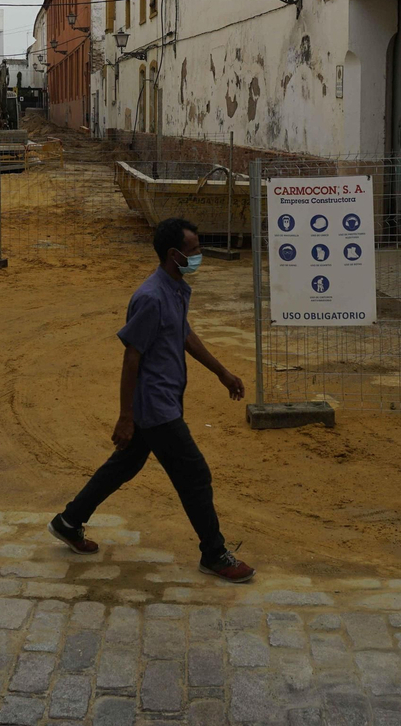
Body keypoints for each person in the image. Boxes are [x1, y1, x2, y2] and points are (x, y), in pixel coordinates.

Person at [49, 217, 255, 583]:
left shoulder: (175, 288)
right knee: (194, 474)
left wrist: (221, 372)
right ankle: (214, 553)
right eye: (194, 250)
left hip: (164, 399)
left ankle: (69, 521)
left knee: (124, 465)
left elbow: (184, 334)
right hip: (155, 407)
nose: (199, 255)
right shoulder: (151, 297)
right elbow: (131, 358)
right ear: (174, 255)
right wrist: (125, 416)